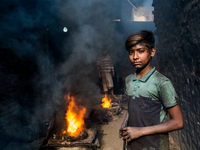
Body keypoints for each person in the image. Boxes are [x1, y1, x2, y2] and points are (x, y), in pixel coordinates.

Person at [119, 30, 184, 150]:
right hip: (133, 145)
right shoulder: (129, 80)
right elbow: (133, 107)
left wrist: (140, 131)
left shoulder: (162, 83)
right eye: (131, 52)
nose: (135, 57)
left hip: (155, 146)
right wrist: (125, 122)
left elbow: (178, 122)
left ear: (152, 52)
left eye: (141, 51)